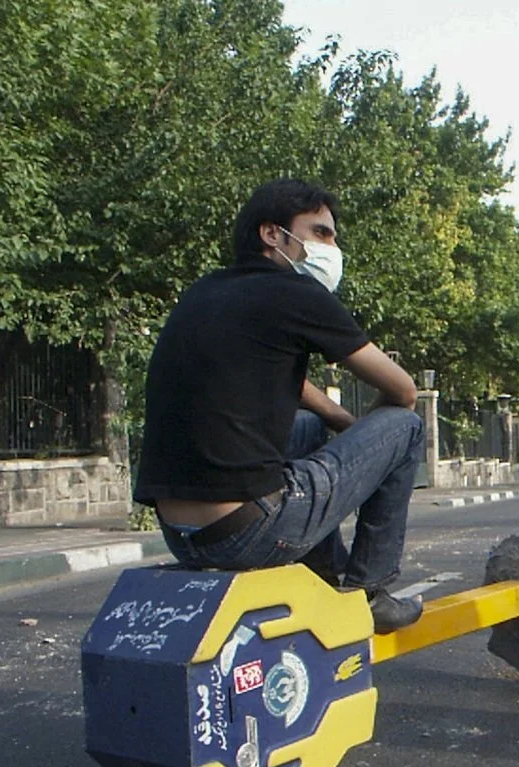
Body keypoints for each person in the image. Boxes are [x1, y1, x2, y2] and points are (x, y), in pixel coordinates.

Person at [134, 178, 426, 633]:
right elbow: (403, 391)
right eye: (320, 233)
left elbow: (278, 379)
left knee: (307, 428)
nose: (332, 247)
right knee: (404, 427)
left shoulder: (205, 291)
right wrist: (373, 438)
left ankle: (325, 575)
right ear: (272, 234)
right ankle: (372, 592)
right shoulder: (299, 293)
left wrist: (339, 419)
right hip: (247, 533)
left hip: (181, 536)